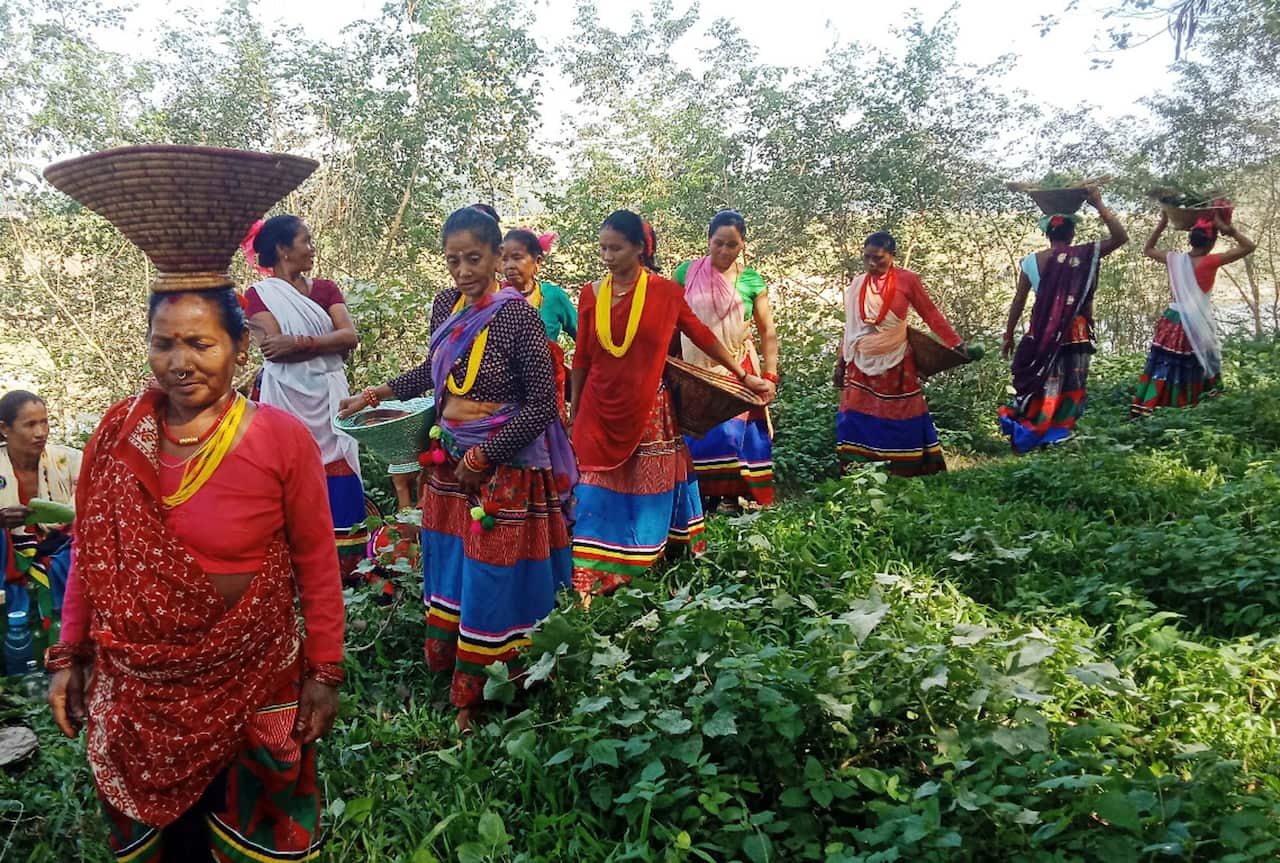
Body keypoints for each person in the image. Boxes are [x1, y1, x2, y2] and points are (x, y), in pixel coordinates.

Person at [46, 286, 345, 861]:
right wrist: (68, 654)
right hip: (138, 684)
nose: (180, 363)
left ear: (239, 346)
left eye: (200, 343)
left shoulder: (281, 439)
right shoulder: (117, 437)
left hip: (254, 673)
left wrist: (324, 672)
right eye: (164, 344)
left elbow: (316, 562)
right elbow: (93, 554)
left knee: (242, 831)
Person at [339, 207, 575, 733]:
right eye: (453, 260)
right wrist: (378, 392)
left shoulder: (519, 315)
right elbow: (434, 371)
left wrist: (484, 456)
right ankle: (453, 667)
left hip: (501, 470)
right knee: (452, 567)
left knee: (495, 574)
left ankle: (492, 684)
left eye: (474, 258)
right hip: (448, 465)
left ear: (497, 256)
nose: (464, 270)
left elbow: (541, 404)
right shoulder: (446, 305)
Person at [571, 210, 774, 597]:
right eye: (603, 249)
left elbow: (699, 334)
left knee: (647, 484)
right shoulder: (591, 293)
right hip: (599, 406)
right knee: (595, 484)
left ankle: (644, 557)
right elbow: (582, 358)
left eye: (616, 248)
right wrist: (575, 410)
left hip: (650, 407)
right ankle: (592, 567)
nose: (608, 257)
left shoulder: (664, 292)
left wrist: (743, 372)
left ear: (639, 249)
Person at [243, 215, 367, 581]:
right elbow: (272, 349)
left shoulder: (326, 288)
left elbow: (349, 337)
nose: (312, 248)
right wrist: (321, 344)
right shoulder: (259, 294)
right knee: (290, 476)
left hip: (330, 397)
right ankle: (297, 576)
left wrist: (300, 343)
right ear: (283, 249)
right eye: (305, 241)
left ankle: (348, 576)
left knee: (340, 468)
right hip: (286, 399)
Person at [999, 186, 1128, 451]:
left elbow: (1018, 302)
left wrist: (1008, 334)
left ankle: (1036, 429)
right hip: (1075, 334)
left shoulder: (1030, 262)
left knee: (1045, 383)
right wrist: (1099, 203)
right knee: (1071, 384)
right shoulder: (1083, 255)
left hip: (1041, 333)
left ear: (1047, 233)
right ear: (1072, 232)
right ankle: (1060, 433)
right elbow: (1120, 236)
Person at [674, 210, 779, 511]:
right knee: (698, 436)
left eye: (731, 245)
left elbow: (767, 330)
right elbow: (672, 321)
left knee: (731, 435)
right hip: (694, 369)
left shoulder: (751, 281)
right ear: (708, 240)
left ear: (743, 245)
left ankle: (732, 499)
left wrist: (770, 375)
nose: (723, 251)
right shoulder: (686, 273)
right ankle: (702, 500)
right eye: (718, 243)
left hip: (737, 367)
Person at [835, 231, 964, 476]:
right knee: (854, 416)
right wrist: (840, 362)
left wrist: (955, 343)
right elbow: (851, 328)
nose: (872, 264)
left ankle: (907, 470)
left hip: (896, 361)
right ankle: (859, 472)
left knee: (901, 413)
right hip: (859, 362)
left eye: (879, 259)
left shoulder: (908, 280)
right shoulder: (857, 284)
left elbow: (930, 313)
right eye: (867, 258)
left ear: (892, 257)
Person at [1131, 209, 1255, 417]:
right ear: (1211, 242)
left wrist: (1162, 223)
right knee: (1196, 361)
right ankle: (1192, 403)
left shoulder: (1174, 259)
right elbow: (1249, 246)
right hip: (1197, 321)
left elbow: (1148, 249)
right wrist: (1228, 229)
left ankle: (1153, 402)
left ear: (1191, 240)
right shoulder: (1211, 261)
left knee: (1164, 362)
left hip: (1173, 321)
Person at [0, 390, 80, 661]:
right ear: (4, 429)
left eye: (44, 422)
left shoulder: (66, 460)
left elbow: (93, 498)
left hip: (60, 545)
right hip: (11, 553)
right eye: (30, 424)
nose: (41, 432)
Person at [501, 228, 577, 408]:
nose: (510, 265)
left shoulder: (553, 296)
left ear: (538, 262)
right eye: (505, 259)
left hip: (546, 389)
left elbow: (584, 338)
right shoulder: (495, 299)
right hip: (504, 392)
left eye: (517, 258)